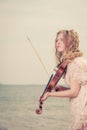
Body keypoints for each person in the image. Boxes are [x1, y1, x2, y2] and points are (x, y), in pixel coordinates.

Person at [40, 30, 87, 130]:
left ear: (70, 42)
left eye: (62, 39)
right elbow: (79, 89)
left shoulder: (75, 63)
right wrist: (61, 89)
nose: (58, 42)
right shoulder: (74, 61)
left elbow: (74, 92)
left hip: (83, 110)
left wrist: (50, 94)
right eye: (56, 40)